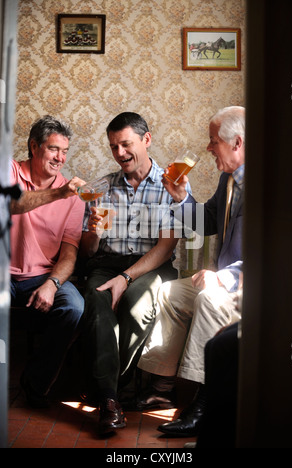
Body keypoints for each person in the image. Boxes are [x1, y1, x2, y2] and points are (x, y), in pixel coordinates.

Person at [136, 106, 245, 437]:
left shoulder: (274, 183)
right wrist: (182, 197)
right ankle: (163, 385)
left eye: (214, 141)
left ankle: (204, 402)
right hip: (228, 282)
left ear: (237, 142)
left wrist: (224, 276)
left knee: (209, 300)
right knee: (171, 292)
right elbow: (207, 222)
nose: (209, 148)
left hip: (252, 286)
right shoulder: (229, 179)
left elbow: (276, 252)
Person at [79, 112, 184, 435]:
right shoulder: (104, 187)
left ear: (146, 140)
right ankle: (112, 399)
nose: (120, 153)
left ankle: (106, 389)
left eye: (126, 144)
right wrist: (93, 232)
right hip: (106, 265)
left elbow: (166, 247)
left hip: (151, 265)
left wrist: (126, 279)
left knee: (137, 306)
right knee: (98, 308)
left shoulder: (172, 184)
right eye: (113, 147)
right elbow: (89, 250)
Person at [10, 115, 86, 408]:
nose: (60, 158)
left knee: (73, 307)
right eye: (54, 149)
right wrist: (57, 194)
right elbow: (11, 204)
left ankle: (36, 384)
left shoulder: (73, 196)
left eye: (65, 151)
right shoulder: (10, 171)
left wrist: (52, 285)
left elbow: (69, 253)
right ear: (33, 146)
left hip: (39, 278)